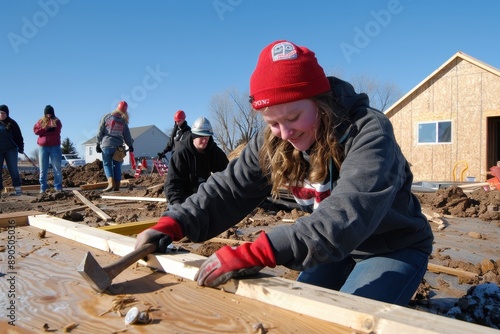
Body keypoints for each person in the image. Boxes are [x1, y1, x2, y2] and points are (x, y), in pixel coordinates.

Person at [135, 40, 434, 306]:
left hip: (391, 247)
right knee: (302, 314)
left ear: (321, 102)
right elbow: (229, 189)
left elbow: (344, 218)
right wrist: (174, 222)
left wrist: (260, 252)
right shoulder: (274, 139)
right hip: (331, 251)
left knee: (350, 319)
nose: (286, 133)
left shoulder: (369, 133)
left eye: (293, 117)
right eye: (273, 122)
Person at [164, 116, 229, 205]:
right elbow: (173, 184)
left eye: (207, 137)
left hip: (204, 195)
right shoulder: (180, 154)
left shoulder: (214, 152)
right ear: (194, 136)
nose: (204, 141)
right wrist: (177, 205)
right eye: (201, 137)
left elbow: (226, 174)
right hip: (183, 196)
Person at [96, 101, 134, 192]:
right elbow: (127, 135)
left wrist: (98, 143)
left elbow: (100, 130)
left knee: (107, 164)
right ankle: (117, 185)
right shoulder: (123, 120)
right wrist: (130, 145)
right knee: (117, 166)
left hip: (107, 145)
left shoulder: (106, 117)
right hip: (118, 147)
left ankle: (110, 183)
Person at [34, 105, 63, 193]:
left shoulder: (57, 121)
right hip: (43, 147)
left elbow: (57, 130)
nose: (49, 115)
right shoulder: (40, 121)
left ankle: (58, 186)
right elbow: (36, 131)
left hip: (55, 147)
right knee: (43, 168)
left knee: (57, 167)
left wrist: (45, 131)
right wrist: (45, 128)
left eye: (50, 113)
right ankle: (43, 187)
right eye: (47, 113)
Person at [0, 104, 24, 195]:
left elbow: (19, 136)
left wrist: (21, 147)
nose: (1, 115)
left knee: (13, 169)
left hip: (11, 150)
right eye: (0, 113)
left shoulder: (12, 123)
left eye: (3, 113)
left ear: (7, 114)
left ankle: (18, 189)